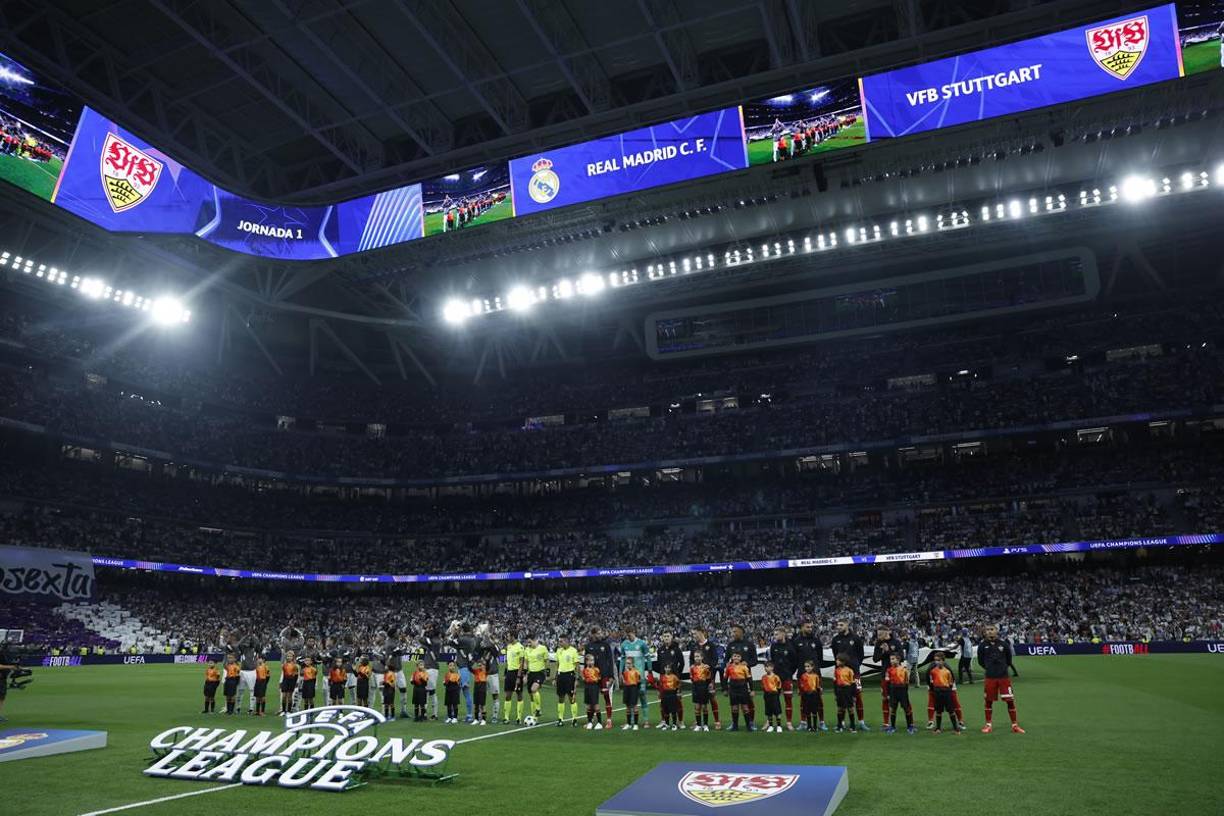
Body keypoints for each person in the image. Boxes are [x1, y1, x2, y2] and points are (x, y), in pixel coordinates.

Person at [978, 625, 1024, 733]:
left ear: (996, 631)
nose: (989, 632)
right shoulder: (982, 645)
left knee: (1010, 701)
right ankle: (988, 725)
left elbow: (1009, 660)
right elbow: (981, 661)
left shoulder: (1004, 644)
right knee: (988, 701)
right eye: (987, 630)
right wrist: (989, 668)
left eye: (991, 629)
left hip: (1003, 677)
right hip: (990, 677)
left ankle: (1015, 725)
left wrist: (1002, 668)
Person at [830, 620, 868, 730]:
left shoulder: (855, 638)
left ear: (847, 625)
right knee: (841, 698)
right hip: (840, 674)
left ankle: (861, 722)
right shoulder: (835, 639)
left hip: (854, 673)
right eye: (838, 625)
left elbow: (861, 654)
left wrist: (854, 665)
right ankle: (841, 722)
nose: (839, 627)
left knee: (858, 696)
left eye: (841, 625)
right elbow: (835, 655)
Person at [690, 628, 722, 729]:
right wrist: (692, 666)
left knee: (712, 697)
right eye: (693, 634)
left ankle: (717, 721)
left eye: (695, 633)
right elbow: (691, 659)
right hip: (697, 677)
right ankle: (698, 722)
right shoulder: (694, 646)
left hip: (708, 676)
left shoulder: (711, 645)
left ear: (701, 632)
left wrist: (709, 666)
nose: (694, 636)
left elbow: (715, 659)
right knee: (698, 700)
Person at [726, 625, 757, 728]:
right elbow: (726, 660)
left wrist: (747, 663)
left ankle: (751, 722)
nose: (733, 634)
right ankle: (734, 723)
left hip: (746, 678)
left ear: (741, 632)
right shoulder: (730, 645)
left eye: (735, 631)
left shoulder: (749, 645)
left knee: (749, 702)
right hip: (734, 680)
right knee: (734, 704)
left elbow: (755, 660)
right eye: (732, 632)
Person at [584, 627, 616, 729]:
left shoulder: (605, 645)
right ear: (593, 634)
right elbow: (586, 663)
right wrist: (586, 676)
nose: (600, 635)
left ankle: (609, 720)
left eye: (601, 632)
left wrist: (611, 676)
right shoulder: (588, 646)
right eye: (598, 633)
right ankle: (592, 720)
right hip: (592, 678)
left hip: (604, 676)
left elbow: (610, 661)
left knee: (606, 697)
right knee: (592, 699)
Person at [620, 627, 652, 728]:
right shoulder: (624, 644)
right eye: (627, 634)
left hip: (639, 676)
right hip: (628, 678)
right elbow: (622, 659)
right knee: (630, 700)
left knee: (642, 697)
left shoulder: (642, 644)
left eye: (629, 634)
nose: (628, 636)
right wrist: (621, 672)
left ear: (634, 632)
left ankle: (646, 720)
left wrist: (650, 671)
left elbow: (648, 657)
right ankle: (631, 722)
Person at [872, 626, 903, 729]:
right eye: (878, 634)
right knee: (885, 698)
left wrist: (888, 650)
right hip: (885, 674)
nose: (879, 636)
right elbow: (875, 659)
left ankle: (909, 723)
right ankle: (886, 723)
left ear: (888, 632)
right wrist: (883, 652)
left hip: (897, 675)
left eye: (881, 634)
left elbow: (901, 657)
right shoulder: (878, 643)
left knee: (902, 699)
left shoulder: (896, 642)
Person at [768, 627, 798, 730]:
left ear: (783, 634)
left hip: (787, 677)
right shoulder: (773, 646)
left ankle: (789, 722)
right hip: (775, 678)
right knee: (773, 700)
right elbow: (772, 660)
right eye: (774, 634)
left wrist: (789, 673)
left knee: (788, 700)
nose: (775, 636)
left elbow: (795, 662)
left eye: (777, 634)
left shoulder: (791, 646)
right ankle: (770, 722)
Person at [655, 632, 686, 728]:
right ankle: (664, 720)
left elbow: (682, 663)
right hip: (663, 679)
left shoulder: (676, 649)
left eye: (668, 636)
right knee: (663, 701)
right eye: (664, 636)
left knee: (677, 700)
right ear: (662, 638)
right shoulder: (660, 650)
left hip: (674, 680)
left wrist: (677, 674)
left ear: (671, 637)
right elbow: (659, 664)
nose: (666, 638)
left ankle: (680, 721)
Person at [927, 651, 963, 734]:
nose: (937, 662)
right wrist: (935, 690)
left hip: (946, 692)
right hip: (937, 692)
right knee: (938, 711)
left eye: (939, 660)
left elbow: (950, 683)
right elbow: (931, 682)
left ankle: (956, 728)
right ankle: (938, 728)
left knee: (951, 710)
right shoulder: (932, 671)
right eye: (935, 660)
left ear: (943, 661)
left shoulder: (947, 671)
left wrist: (947, 690)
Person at [884, 654, 916, 734]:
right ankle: (892, 727)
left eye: (893, 659)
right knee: (893, 709)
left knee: (906, 708)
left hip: (902, 691)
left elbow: (907, 682)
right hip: (893, 691)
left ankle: (910, 726)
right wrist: (887, 694)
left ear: (898, 660)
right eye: (890, 659)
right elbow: (887, 683)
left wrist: (905, 692)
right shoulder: (888, 670)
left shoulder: (904, 670)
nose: (891, 661)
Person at [554, 634, 581, 726]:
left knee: (571, 698)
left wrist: (577, 679)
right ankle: (560, 719)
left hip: (570, 675)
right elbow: (557, 664)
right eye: (559, 641)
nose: (559, 643)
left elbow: (577, 666)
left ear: (566, 641)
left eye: (561, 641)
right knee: (561, 697)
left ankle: (574, 719)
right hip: (561, 676)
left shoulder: (573, 651)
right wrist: (555, 677)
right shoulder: (558, 651)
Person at [724, 652, 753, 732]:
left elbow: (749, 679)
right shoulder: (729, 667)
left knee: (745, 707)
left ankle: (748, 726)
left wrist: (752, 690)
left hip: (743, 689)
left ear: (741, 658)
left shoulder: (744, 667)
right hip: (733, 689)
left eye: (738, 656)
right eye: (735, 656)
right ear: (732, 657)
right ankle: (735, 726)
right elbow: (725, 679)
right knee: (734, 708)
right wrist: (725, 689)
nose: (736, 657)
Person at [524, 634, 549, 721]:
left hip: (540, 672)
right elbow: (526, 663)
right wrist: (525, 675)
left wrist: (547, 673)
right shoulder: (527, 649)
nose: (528, 644)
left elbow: (546, 661)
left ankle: (538, 709)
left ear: (535, 640)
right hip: (531, 673)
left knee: (534, 689)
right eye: (527, 642)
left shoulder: (543, 648)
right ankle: (534, 717)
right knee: (531, 696)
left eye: (530, 642)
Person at [504, 631, 527, 724]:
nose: (507, 638)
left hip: (517, 673)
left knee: (519, 694)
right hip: (509, 673)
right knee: (508, 695)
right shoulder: (508, 646)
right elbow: (508, 661)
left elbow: (521, 663)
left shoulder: (520, 647)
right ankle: (506, 717)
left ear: (513, 637)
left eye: (508, 636)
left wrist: (519, 676)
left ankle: (519, 717)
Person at [833, 654, 858, 733]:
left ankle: (852, 726)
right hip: (840, 690)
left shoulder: (849, 670)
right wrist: (836, 694)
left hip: (848, 690)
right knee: (840, 708)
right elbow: (835, 683)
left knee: (850, 708)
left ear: (843, 661)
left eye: (838, 660)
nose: (836, 661)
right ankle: (839, 726)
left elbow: (853, 683)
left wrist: (853, 695)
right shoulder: (836, 671)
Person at [689, 650, 713, 732]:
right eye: (695, 656)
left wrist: (708, 686)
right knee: (697, 707)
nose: (697, 658)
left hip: (704, 687)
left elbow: (709, 678)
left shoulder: (706, 667)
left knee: (704, 707)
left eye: (698, 656)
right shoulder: (692, 667)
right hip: (696, 687)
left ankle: (705, 725)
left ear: (702, 657)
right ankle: (698, 725)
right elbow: (691, 678)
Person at [798, 660, 825, 732]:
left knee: (814, 711)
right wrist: (801, 692)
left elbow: (818, 686)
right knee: (807, 711)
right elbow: (801, 686)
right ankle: (809, 726)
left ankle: (815, 726)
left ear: (812, 667)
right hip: (806, 695)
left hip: (814, 695)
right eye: (805, 667)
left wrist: (819, 692)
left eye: (808, 666)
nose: (807, 668)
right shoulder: (803, 676)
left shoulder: (816, 676)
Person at [654, 664, 682, 730]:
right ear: (664, 669)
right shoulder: (662, 677)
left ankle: (674, 724)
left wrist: (678, 692)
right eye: (666, 667)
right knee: (665, 710)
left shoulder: (674, 677)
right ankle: (667, 724)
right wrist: (659, 693)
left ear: (671, 669)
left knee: (673, 710)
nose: (667, 669)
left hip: (672, 694)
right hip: (664, 695)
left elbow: (679, 684)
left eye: (669, 668)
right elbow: (660, 686)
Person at [581, 654, 603, 730]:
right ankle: (590, 722)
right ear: (586, 661)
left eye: (592, 660)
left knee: (595, 705)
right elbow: (584, 679)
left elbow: (599, 679)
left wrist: (601, 688)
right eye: (589, 660)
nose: (591, 662)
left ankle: (599, 722)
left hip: (594, 687)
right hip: (587, 687)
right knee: (588, 705)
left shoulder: (596, 670)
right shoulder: (584, 670)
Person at [760, 661, 783, 733]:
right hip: (767, 695)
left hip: (774, 695)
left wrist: (776, 693)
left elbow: (779, 687)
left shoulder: (776, 677)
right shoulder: (763, 677)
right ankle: (770, 726)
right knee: (768, 711)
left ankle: (779, 726)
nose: (765, 668)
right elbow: (763, 686)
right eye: (765, 667)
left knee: (777, 711)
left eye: (767, 667)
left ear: (772, 668)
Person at [621, 657, 642, 730]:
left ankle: (636, 724)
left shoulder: (636, 672)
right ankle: (629, 723)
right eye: (627, 663)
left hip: (634, 689)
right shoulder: (625, 672)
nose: (628, 665)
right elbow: (624, 681)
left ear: (633, 664)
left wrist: (636, 689)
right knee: (628, 707)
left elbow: (639, 681)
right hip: (627, 689)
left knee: (634, 706)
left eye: (629, 663)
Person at [278, 651, 299, 715]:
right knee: (284, 696)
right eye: (288, 656)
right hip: (285, 681)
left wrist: (296, 683)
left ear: (293, 657)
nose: (289, 657)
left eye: (290, 656)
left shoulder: (295, 666)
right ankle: (283, 711)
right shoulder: (284, 665)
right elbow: (283, 674)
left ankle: (289, 711)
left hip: (291, 682)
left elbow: (296, 676)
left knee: (290, 696)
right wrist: (281, 682)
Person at [472, 661, 488, 725]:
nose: (479, 667)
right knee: (476, 705)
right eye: (478, 665)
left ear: (483, 666)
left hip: (482, 689)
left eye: (481, 665)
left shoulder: (485, 672)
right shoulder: (476, 671)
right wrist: (470, 661)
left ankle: (483, 720)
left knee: (482, 705)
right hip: (476, 689)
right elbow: (469, 668)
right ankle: (476, 719)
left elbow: (488, 666)